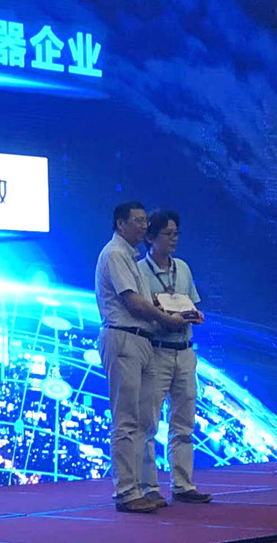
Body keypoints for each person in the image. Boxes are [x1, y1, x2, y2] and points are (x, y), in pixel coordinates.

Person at [95, 202, 193, 512]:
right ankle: (126, 491)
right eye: (138, 221)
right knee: (126, 419)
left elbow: (144, 302)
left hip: (141, 341)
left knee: (141, 420)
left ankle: (144, 487)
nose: (143, 225)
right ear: (120, 224)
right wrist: (167, 319)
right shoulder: (115, 254)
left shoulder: (128, 256)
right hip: (124, 337)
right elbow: (134, 303)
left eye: (145, 220)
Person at [138, 210, 212, 503]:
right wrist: (163, 316)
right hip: (157, 350)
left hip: (184, 351)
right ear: (150, 237)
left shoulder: (183, 268)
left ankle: (183, 485)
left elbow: (192, 302)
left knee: (184, 422)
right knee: (148, 423)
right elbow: (139, 309)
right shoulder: (140, 271)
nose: (174, 239)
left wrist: (194, 315)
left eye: (176, 233)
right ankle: (148, 487)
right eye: (168, 234)